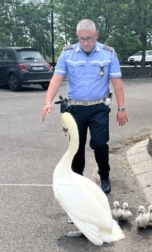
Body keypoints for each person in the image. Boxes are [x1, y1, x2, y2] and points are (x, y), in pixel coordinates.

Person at [41, 19, 128, 194]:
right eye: (82, 39)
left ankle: (104, 175)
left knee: (99, 143)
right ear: (77, 37)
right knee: (76, 146)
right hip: (75, 109)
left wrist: (121, 109)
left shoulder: (108, 53)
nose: (86, 43)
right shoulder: (68, 54)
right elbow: (56, 78)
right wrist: (47, 102)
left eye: (89, 38)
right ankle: (77, 180)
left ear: (96, 35)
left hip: (99, 108)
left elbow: (117, 82)